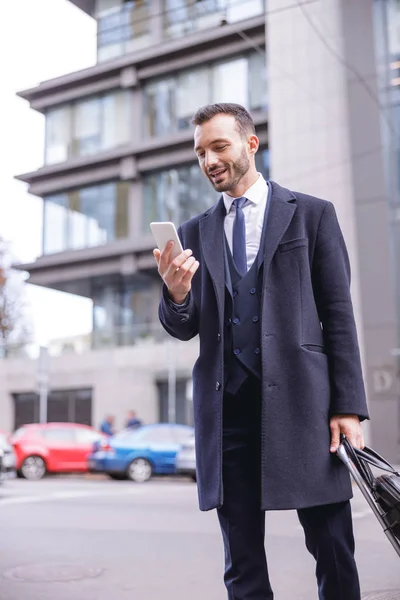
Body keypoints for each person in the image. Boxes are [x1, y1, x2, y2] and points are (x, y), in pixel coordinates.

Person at [153, 103, 369, 600]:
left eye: (219, 146)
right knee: (242, 565)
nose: (208, 160)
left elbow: (338, 315)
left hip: (307, 407)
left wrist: (347, 407)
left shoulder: (312, 215)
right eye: (200, 152)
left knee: (334, 550)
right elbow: (182, 328)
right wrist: (177, 294)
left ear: (251, 144)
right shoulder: (192, 233)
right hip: (228, 413)